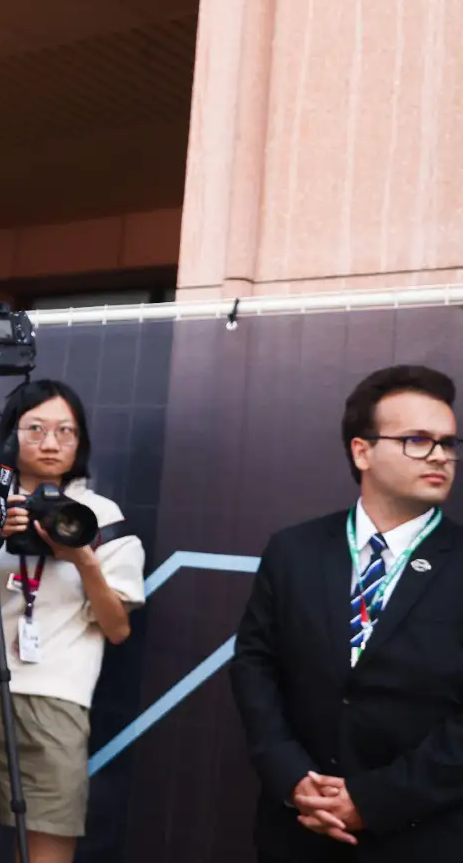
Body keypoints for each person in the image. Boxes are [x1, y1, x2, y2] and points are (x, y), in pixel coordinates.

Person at [232, 364, 463, 863]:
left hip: (424, 837)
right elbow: (255, 667)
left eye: (448, 442)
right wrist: (292, 778)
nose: (440, 456)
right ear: (363, 451)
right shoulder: (294, 550)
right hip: (295, 832)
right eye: (418, 440)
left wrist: (374, 800)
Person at [0, 379, 146, 863]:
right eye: (36, 429)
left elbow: (117, 629)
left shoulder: (103, 519)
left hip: (57, 702)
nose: (51, 443)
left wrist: (83, 558)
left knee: (46, 846)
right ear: (10, 437)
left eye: (65, 432)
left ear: (81, 441)